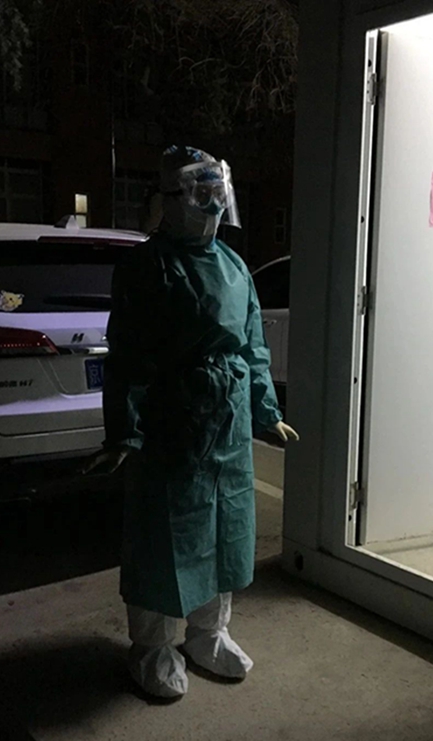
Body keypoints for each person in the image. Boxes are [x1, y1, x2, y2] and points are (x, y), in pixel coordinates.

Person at [83, 145, 299, 699]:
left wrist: (265, 411)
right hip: (171, 424)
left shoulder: (233, 267)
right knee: (165, 536)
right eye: (201, 195)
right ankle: (152, 646)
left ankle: (208, 634)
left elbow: (252, 346)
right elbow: (129, 356)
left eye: (217, 195)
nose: (212, 207)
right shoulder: (147, 267)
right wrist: (124, 431)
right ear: (172, 199)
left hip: (227, 426)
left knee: (225, 530)